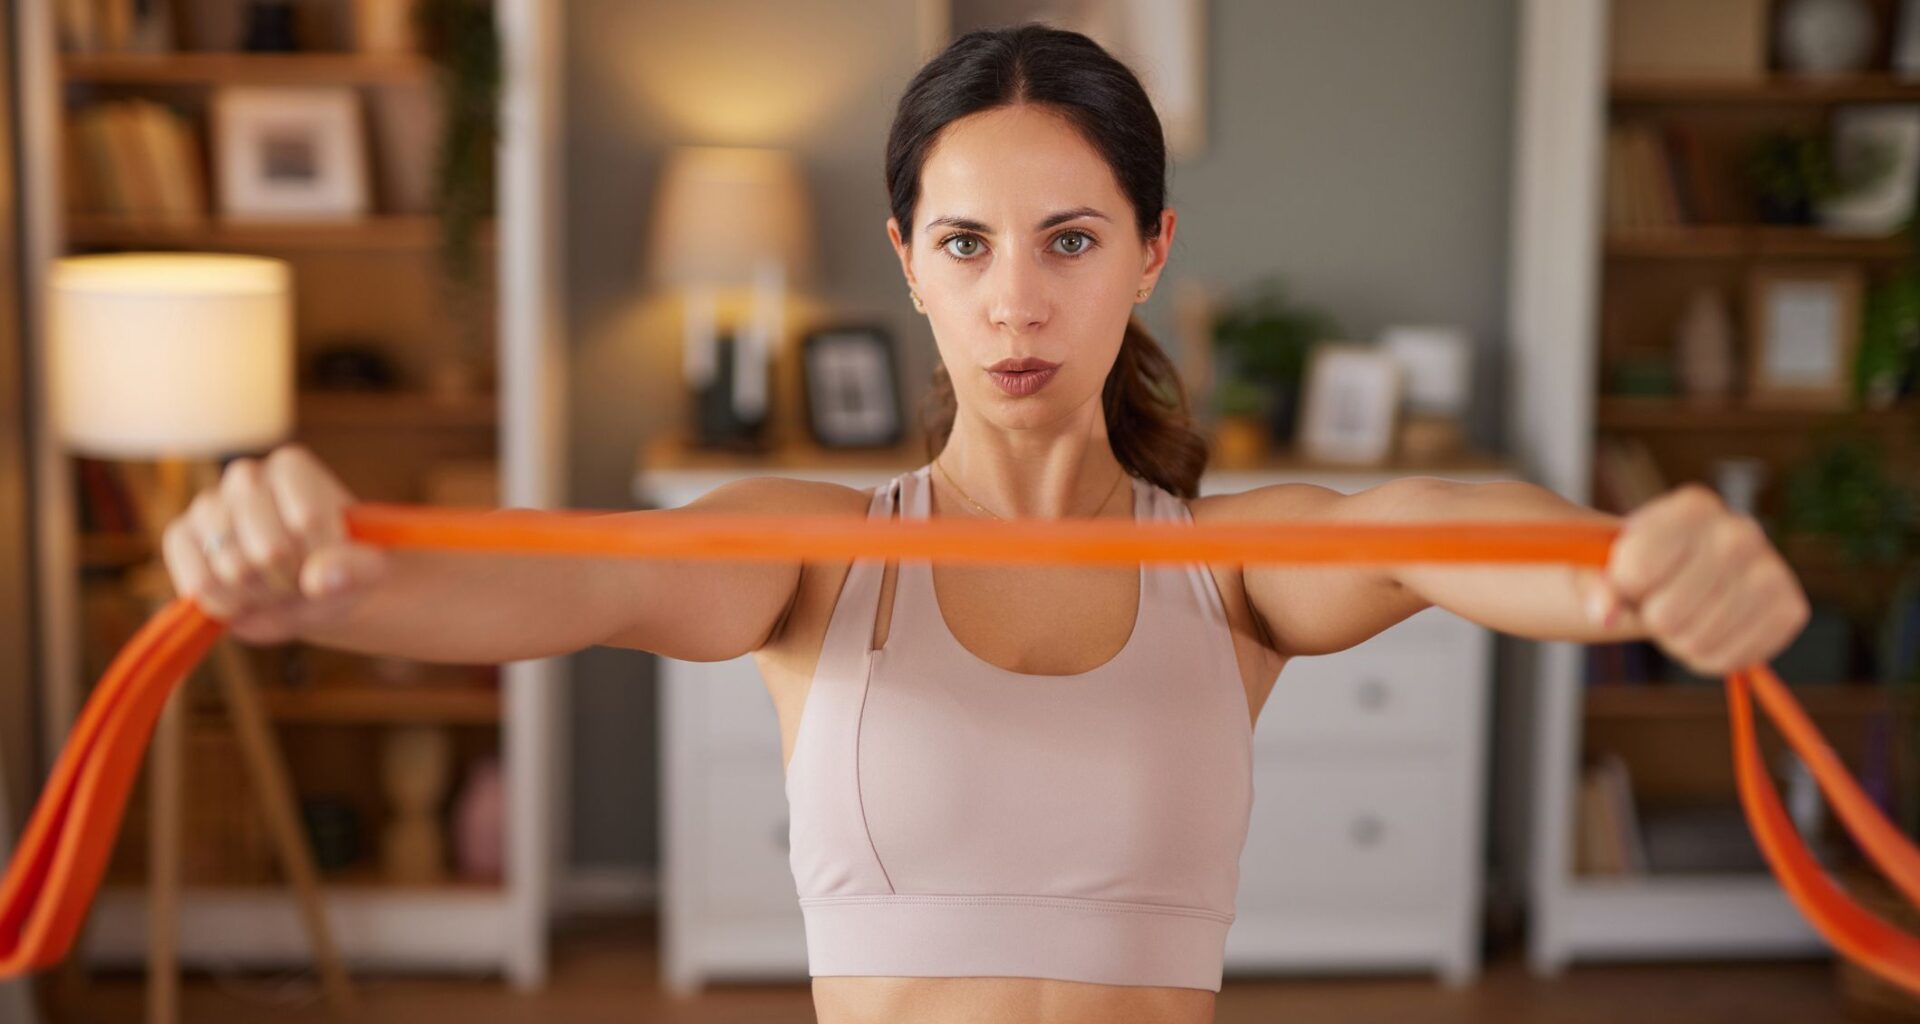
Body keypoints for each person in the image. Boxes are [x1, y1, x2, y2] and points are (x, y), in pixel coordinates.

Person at [161, 22, 1810, 1024]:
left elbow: (1431, 523)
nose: (1016, 301)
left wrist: (1632, 571)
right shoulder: (814, 555)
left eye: (1071, 241)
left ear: (1152, 251)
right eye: (967, 246)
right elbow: (562, 575)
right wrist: (318, 582)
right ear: (905, 255)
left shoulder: (1229, 570)